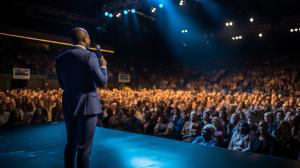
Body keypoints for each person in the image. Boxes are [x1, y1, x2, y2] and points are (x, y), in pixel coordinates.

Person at [56, 27, 108, 168]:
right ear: (85, 38)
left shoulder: (60, 58)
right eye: (89, 37)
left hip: (69, 104)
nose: (90, 40)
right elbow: (102, 82)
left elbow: (62, 84)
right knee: (84, 148)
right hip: (87, 106)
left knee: (71, 143)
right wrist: (103, 67)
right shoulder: (90, 56)